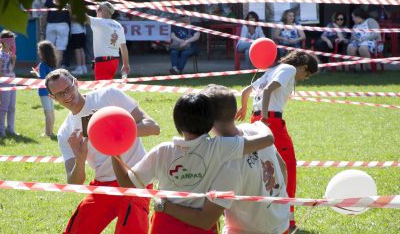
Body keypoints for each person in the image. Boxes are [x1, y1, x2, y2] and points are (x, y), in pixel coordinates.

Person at [112, 93, 274, 234]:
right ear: (211, 122)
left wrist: (113, 151)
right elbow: (267, 140)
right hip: (200, 229)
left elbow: (127, 184)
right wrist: (261, 124)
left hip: (165, 227)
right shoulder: (220, 147)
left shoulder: (162, 151)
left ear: (177, 122)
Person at [157, 84, 289, 234]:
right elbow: (282, 166)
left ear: (206, 117)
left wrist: (164, 205)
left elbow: (205, 220)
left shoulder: (226, 164)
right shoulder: (257, 129)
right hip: (281, 224)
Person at [45, 69, 160, 234]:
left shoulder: (108, 96)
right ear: (52, 98)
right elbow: (74, 183)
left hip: (135, 180)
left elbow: (153, 127)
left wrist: (115, 131)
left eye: (69, 88)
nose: (67, 95)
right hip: (103, 186)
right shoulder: (66, 132)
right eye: (60, 94)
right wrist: (80, 158)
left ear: (76, 83)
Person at [236, 51, 319, 230]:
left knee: (262, 167)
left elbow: (245, 91)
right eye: (307, 74)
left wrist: (244, 108)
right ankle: (288, 219)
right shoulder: (288, 69)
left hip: (254, 120)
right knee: (288, 166)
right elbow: (268, 90)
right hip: (270, 121)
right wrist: (265, 118)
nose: (304, 78)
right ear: (304, 67)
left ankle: (264, 215)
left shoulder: (272, 69)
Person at [86, 2, 130, 80]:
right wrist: (125, 64)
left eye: (99, 9)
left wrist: (69, 6)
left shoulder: (99, 21)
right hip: (114, 61)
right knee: (107, 87)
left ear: (106, 12)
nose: (97, 11)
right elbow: (123, 47)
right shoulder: (118, 25)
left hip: (103, 61)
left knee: (101, 89)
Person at [31, 40, 57, 137]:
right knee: (51, 111)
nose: (38, 52)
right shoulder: (52, 63)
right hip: (51, 90)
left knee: (47, 112)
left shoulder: (42, 64)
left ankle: (47, 133)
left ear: (43, 52)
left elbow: (42, 79)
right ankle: (51, 131)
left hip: (44, 91)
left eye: (39, 50)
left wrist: (36, 74)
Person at [0, 30, 18, 137]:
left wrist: (13, 60)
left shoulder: (10, 54)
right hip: (4, 83)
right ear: (3, 42)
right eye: (10, 42)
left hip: (12, 81)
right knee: (4, 107)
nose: (13, 44)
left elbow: (11, 69)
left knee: (12, 107)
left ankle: (11, 128)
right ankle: (1, 130)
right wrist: (6, 79)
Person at [44, 0, 70, 67]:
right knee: (60, 49)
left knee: (49, 48)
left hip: (51, 25)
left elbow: (45, 13)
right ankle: (56, 68)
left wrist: (42, 26)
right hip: (63, 24)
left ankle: (49, 67)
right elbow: (71, 12)